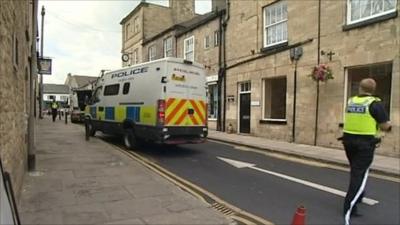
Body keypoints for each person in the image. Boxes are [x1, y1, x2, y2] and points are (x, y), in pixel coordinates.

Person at [342, 78, 391, 225]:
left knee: (356, 170)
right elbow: (385, 126)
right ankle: (349, 207)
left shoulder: (351, 101)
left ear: (360, 88)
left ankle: (360, 194)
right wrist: (387, 127)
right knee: (359, 174)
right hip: (364, 144)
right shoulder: (375, 104)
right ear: (373, 89)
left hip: (348, 142)